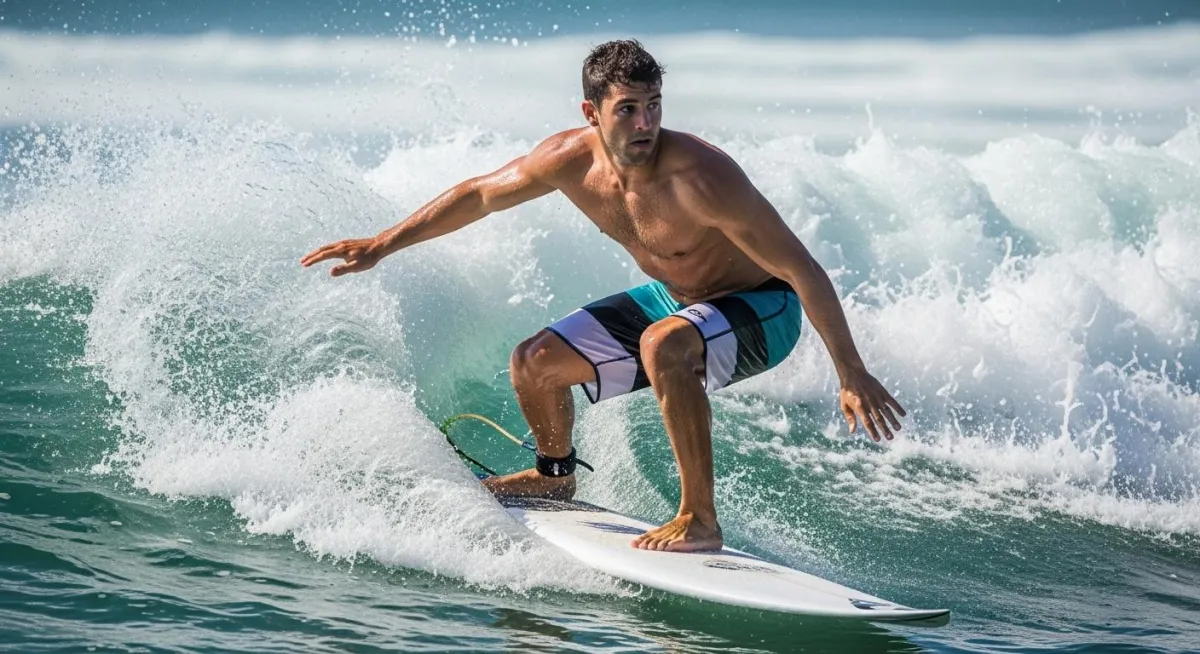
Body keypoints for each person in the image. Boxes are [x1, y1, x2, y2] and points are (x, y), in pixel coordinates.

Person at [301, 39, 905, 553]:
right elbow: (481, 195)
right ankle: (554, 476)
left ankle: (700, 519)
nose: (645, 124)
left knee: (664, 344)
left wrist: (850, 370)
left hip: (763, 308)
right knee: (534, 362)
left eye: (654, 106)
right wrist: (382, 243)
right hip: (680, 299)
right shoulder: (567, 160)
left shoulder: (701, 177)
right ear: (591, 113)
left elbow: (801, 268)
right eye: (628, 110)